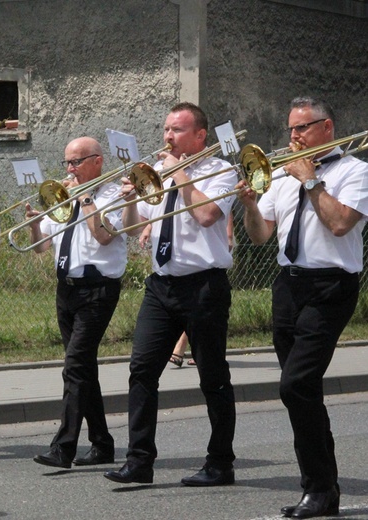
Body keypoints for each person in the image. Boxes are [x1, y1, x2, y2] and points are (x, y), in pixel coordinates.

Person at [237, 97, 368, 519]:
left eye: (303, 128)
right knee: (302, 393)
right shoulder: (282, 176)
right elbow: (260, 237)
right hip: (288, 286)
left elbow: (340, 223)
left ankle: (318, 487)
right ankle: (322, 488)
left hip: (331, 286)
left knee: (295, 384)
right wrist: (250, 205)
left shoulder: (355, 171)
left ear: (327, 128)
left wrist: (311, 180)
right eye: (291, 129)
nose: (294, 136)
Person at [105, 102, 237, 487]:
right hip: (161, 286)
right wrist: (130, 198)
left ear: (200, 135)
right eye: (166, 129)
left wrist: (181, 177)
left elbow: (208, 215)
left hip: (203, 286)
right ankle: (139, 460)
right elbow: (133, 230)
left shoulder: (221, 171)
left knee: (213, 377)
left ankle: (220, 463)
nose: (167, 137)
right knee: (142, 370)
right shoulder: (158, 172)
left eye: (176, 130)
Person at [27, 137, 126, 469]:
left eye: (76, 162)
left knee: (75, 367)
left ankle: (63, 447)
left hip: (97, 289)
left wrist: (85, 198)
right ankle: (102, 444)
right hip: (65, 290)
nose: (69, 170)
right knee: (83, 369)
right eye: (66, 163)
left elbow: (103, 235)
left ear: (97, 161)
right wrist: (33, 225)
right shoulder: (64, 195)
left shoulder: (114, 194)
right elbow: (41, 248)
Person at [142, 214, 234, 368]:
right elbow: (167, 213)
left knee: (212, 369)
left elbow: (215, 213)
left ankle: (185, 348)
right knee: (143, 366)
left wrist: (229, 234)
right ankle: (185, 348)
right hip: (166, 277)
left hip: (204, 268)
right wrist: (149, 226)